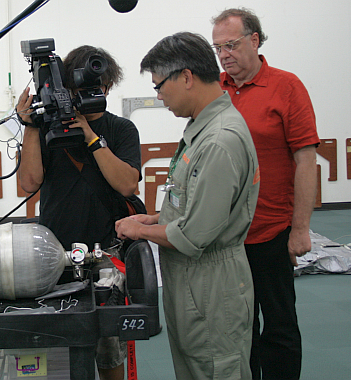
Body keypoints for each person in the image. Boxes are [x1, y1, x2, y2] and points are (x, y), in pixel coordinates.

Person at [116, 32, 260, 379]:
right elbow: (195, 205)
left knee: (214, 368)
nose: (159, 95)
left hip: (211, 285)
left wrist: (141, 229)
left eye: (159, 85)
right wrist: (155, 218)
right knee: (196, 366)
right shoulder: (201, 128)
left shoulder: (219, 141)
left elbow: (195, 235)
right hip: (193, 283)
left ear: (185, 77)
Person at [17, 45, 141, 380]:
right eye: (78, 89)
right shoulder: (45, 130)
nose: (87, 94)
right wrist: (30, 126)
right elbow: (28, 184)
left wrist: (90, 135)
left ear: (108, 88)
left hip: (107, 252)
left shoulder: (121, 130)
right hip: (53, 252)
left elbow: (128, 184)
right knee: (54, 338)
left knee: (108, 345)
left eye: (95, 88)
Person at [211, 9, 320, 379]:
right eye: (218, 48)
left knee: (279, 327)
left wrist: (300, 229)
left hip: (271, 232)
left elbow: (306, 161)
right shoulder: (215, 91)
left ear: (254, 40)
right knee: (238, 329)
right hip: (225, 238)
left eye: (231, 44)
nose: (224, 54)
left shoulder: (287, 87)